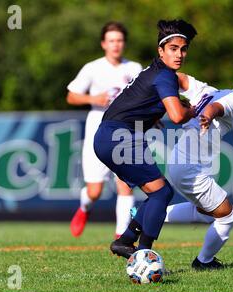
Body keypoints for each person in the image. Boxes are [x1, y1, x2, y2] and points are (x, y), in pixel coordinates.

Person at [93, 19, 198, 258]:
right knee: (161, 194)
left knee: (158, 193)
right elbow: (178, 116)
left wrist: (152, 114)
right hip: (119, 137)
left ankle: (126, 240)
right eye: (173, 48)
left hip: (108, 135)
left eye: (183, 49)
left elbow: (137, 99)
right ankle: (143, 256)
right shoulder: (166, 76)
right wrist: (195, 109)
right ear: (160, 51)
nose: (179, 54)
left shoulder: (154, 70)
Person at [161, 55, 233, 269]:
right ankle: (203, 262)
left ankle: (148, 215)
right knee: (228, 217)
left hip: (179, 161)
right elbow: (216, 108)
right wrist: (207, 115)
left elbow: (182, 80)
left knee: (207, 214)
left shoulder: (208, 90)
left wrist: (159, 78)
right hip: (189, 168)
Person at [67, 22, 142, 239]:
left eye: (119, 40)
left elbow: (142, 98)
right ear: (103, 44)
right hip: (97, 131)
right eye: (111, 41)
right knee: (94, 191)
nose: (116, 45)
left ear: (124, 43)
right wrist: (94, 98)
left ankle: (121, 236)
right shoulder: (93, 68)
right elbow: (71, 95)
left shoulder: (134, 68)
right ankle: (84, 208)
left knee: (126, 184)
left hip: (125, 131)